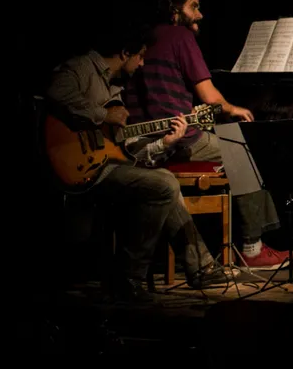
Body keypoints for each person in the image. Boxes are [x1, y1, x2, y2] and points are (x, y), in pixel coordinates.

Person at [46, 25, 225, 301]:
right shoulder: (82, 68)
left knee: (164, 181)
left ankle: (199, 267)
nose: (142, 63)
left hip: (107, 166)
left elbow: (126, 149)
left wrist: (166, 143)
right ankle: (128, 278)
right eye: (140, 56)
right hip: (75, 166)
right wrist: (102, 116)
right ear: (125, 52)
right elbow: (55, 94)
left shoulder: (116, 87)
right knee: (164, 182)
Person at [123, 0, 290, 271]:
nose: (200, 14)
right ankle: (252, 248)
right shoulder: (180, 36)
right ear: (175, 13)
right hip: (178, 139)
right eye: (194, 7)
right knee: (246, 152)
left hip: (139, 142)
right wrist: (234, 109)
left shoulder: (143, 37)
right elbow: (211, 99)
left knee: (228, 144)